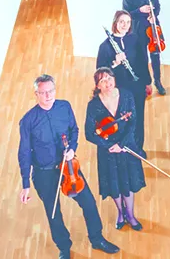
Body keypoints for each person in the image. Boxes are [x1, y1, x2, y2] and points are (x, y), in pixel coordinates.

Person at [18, 75, 120, 258]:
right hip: (44, 173)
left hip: (69, 167)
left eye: (51, 91)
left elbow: (74, 130)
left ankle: (97, 238)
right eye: (43, 92)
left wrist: (72, 149)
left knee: (88, 202)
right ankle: (64, 247)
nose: (48, 96)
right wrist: (25, 184)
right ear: (36, 94)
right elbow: (24, 153)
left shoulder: (64, 107)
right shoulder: (28, 121)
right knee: (53, 212)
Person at [84, 68, 146, 231]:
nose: (108, 83)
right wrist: (109, 146)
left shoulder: (126, 95)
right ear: (97, 85)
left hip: (126, 146)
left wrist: (122, 144)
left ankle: (131, 215)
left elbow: (133, 122)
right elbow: (89, 133)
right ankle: (120, 212)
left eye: (110, 78)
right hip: (108, 151)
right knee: (115, 186)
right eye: (103, 81)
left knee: (128, 184)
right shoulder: (94, 105)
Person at [96, 11, 152, 156]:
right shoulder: (105, 46)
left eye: (128, 22)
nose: (125, 25)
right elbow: (100, 72)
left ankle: (138, 148)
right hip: (118, 89)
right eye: (121, 22)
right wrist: (115, 62)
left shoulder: (135, 39)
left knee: (138, 118)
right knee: (122, 119)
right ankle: (124, 147)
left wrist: (147, 82)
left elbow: (143, 62)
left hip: (136, 86)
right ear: (115, 22)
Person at [122, 0, 165, 95]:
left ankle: (158, 81)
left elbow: (157, 7)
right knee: (142, 58)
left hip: (153, 28)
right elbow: (126, 13)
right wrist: (139, 10)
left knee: (156, 56)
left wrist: (153, 14)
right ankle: (146, 82)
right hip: (138, 29)